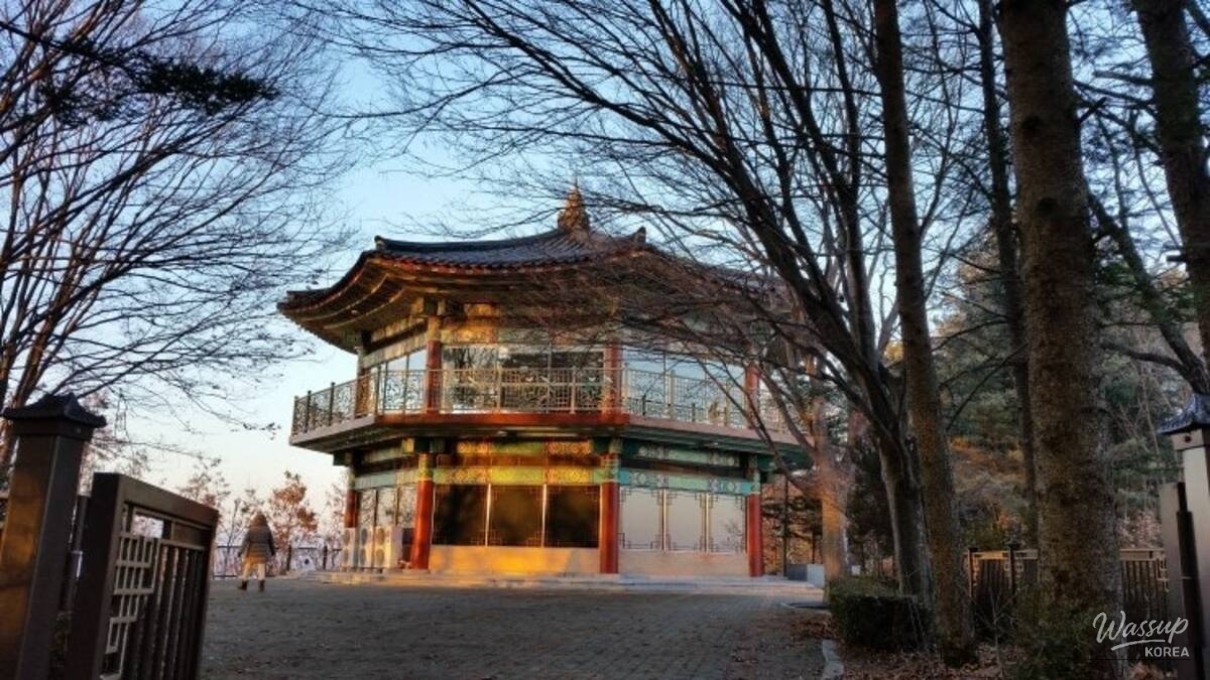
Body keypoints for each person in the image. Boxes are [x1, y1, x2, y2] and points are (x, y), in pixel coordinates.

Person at [238, 512, 276, 592]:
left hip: (251, 553)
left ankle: (244, 585)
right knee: (261, 569)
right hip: (263, 553)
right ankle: (261, 587)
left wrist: (240, 551)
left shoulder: (251, 530)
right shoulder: (267, 530)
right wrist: (273, 551)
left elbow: (245, 542)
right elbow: (271, 542)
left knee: (247, 568)